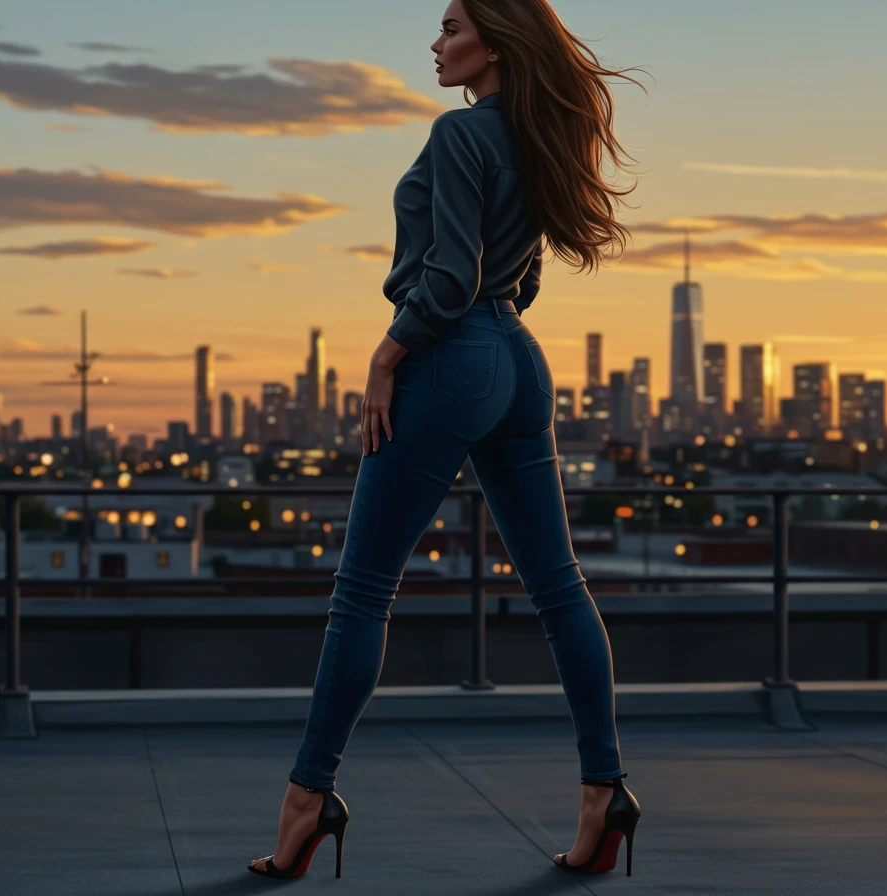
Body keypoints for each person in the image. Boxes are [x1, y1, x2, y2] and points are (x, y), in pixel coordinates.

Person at [248, 0, 651, 880]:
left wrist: (388, 354)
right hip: (517, 358)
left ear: (495, 42)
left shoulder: (459, 134)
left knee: (362, 593)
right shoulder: (539, 138)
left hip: (450, 354)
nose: (436, 44)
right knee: (560, 587)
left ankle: (308, 801)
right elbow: (520, 274)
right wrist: (488, 332)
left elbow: (450, 272)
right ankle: (604, 792)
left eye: (452, 27)